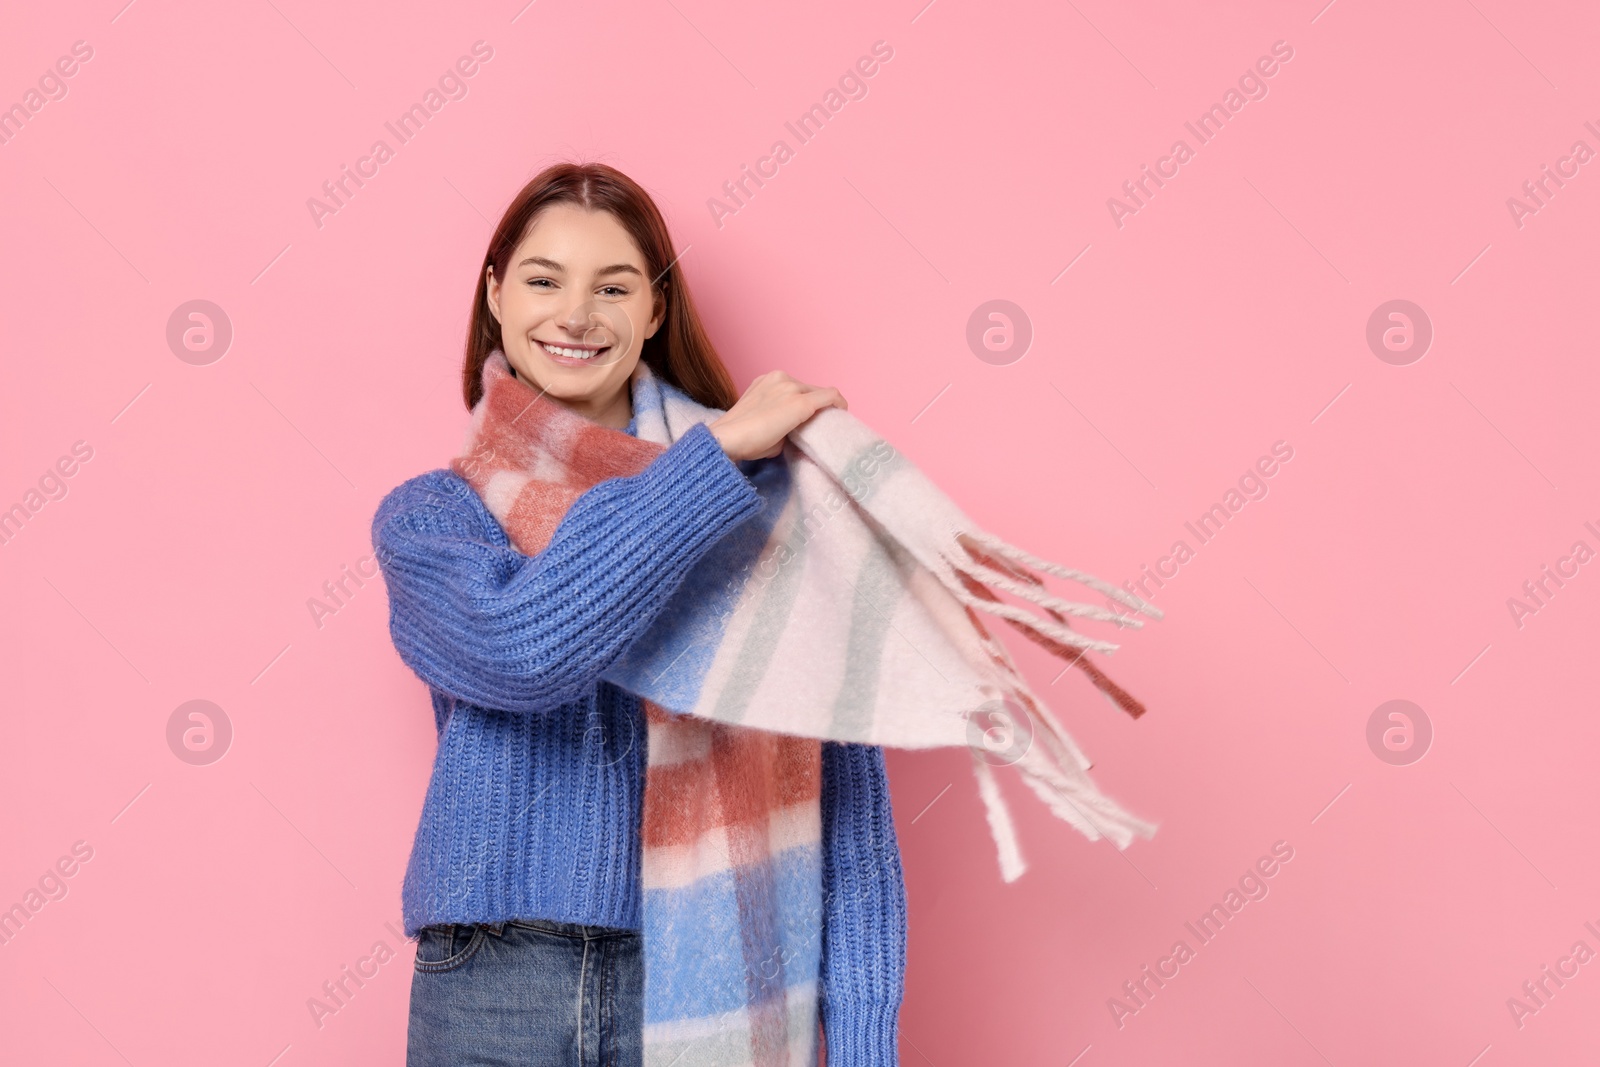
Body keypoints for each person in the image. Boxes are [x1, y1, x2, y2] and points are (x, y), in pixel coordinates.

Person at [372, 161, 908, 1067]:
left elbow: (848, 811)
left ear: (654, 311)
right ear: (496, 295)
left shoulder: (777, 510)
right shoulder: (432, 517)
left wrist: (864, 1047)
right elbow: (527, 648)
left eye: (612, 287)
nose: (575, 315)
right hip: (495, 983)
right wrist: (710, 458)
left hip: (713, 978)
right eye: (543, 280)